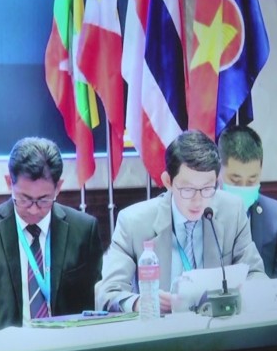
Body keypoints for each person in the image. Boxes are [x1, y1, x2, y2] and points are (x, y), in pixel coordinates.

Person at [95, 131, 266, 314]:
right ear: (168, 181)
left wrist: (244, 292)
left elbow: (256, 275)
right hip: (161, 328)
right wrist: (141, 303)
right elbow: (107, 293)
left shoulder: (233, 211)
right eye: (188, 189)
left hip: (219, 323)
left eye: (207, 188)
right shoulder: (133, 222)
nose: (198, 201)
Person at [0, 137, 103, 335]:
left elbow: (95, 309)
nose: (34, 210)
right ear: (8, 183)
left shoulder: (83, 230)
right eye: (24, 199)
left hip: (67, 346)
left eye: (44, 200)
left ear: (58, 187)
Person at [218, 125, 277, 279]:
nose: (243, 188)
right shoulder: (201, 210)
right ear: (218, 171)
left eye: (252, 181)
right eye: (235, 181)